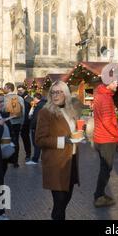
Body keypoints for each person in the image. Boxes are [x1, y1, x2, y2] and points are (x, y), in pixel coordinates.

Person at [35, 81, 80, 220]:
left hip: (70, 161)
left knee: (66, 200)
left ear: (66, 93)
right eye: (53, 92)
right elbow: (39, 140)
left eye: (59, 92)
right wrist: (62, 141)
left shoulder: (70, 111)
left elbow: (72, 132)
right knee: (59, 203)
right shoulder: (45, 112)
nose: (55, 95)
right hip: (56, 164)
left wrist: (80, 134)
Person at [92, 78, 118, 208]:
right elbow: (107, 121)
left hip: (101, 138)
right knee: (105, 169)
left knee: (105, 168)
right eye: (114, 82)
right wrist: (117, 134)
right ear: (108, 83)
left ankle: (100, 193)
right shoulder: (105, 98)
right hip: (106, 139)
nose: (117, 84)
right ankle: (99, 196)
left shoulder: (101, 95)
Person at [3, 82, 26, 168]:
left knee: (6, 140)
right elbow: (23, 111)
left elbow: (2, 109)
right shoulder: (19, 98)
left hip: (7, 122)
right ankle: (15, 161)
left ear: (9, 88)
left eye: (5, 87)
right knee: (16, 140)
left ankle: (7, 158)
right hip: (17, 122)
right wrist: (22, 122)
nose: (4, 89)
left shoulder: (4, 98)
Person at [28, 92, 46, 164]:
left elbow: (36, 118)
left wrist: (32, 126)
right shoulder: (44, 104)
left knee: (36, 143)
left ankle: (35, 159)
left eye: (33, 98)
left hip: (36, 127)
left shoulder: (38, 106)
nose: (33, 100)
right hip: (42, 127)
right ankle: (42, 158)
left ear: (35, 98)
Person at [17, 84, 33, 164]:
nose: (19, 92)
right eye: (18, 90)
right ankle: (15, 156)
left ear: (24, 90)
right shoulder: (16, 98)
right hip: (17, 121)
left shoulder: (29, 98)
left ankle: (28, 154)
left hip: (26, 122)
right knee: (15, 139)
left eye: (21, 90)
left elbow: (33, 109)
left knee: (25, 138)